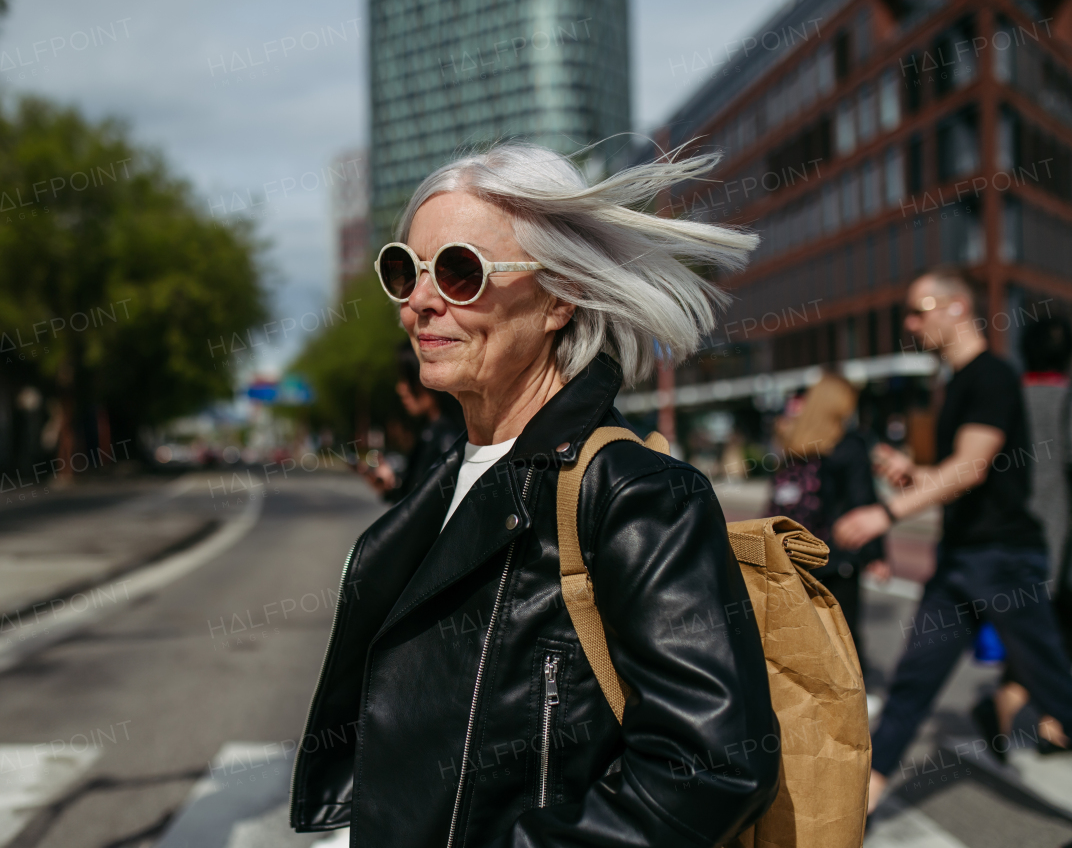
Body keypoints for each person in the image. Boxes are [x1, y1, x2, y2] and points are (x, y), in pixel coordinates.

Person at [290, 144, 779, 846]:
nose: (421, 301)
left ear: (557, 298)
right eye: (406, 270)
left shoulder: (639, 497)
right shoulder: (447, 478)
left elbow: (713, 763)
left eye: (461, 271)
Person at [833, 268, 1072, 814]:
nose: (911, 323)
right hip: (962, 557)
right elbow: (956, 477)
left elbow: (970, 469)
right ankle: (857, 808)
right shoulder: (954, 384)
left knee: (1054, 687)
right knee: (914, 684)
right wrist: (913, 473)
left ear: (958, 309)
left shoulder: (991, 375)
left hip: (1004, 558)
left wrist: (884, 514)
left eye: (921, 309)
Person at [978, 316, 1072, 755]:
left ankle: (1016, 711)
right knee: (1052, 636)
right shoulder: (1066, 400)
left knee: (1035, 632)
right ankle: (1048, 724)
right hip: (1060, 540)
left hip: (1011, 536)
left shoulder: (1009, 397)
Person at [765, 373, 886, 669]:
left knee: (805, 632)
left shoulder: (794, 442)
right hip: (837, 553)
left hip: (796, 553)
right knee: (843, 633)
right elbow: (862, 500)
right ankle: (852, 703)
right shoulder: (848, 445)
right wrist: (877, 555)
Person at [358, 342, 466, 503]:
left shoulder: (446, 441)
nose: (400, 388)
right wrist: (392, 486)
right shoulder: (431, 433)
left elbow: (429, 515)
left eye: (408, 379)